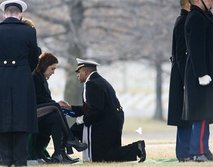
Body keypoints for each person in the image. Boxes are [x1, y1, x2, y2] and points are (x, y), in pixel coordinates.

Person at [70, 58, 146, 163]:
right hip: (112, 120)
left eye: (78, 72)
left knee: (102, 158)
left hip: (106, 122)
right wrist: (71, 108)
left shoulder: (91, 84)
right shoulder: (99, 81)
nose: (77, 75)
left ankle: (136, 148)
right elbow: (91, 107)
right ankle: (136, 148)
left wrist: (81, 120)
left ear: (85, 71)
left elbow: (96, 110)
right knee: (108, 153)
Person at [0, 0, 39, 166]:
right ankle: (21, 161)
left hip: (1, 76)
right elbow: (33, 58)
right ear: (20, 14)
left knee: (2, 117)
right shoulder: (29, 31)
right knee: (22, 119)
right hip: (22, 78)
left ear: (4, 13)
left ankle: (5, 159)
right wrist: (23, 70)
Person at [31, 52, 87, 163]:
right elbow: (37, 99)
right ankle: (70, 139)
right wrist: (55, 104)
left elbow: (45, 99)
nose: (53, 72)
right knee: (56, 107)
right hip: (33, 111)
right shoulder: (34, 77)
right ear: (44, 66)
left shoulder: (42, 79)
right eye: (52, 69)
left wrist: (55, 103)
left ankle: (60, 154)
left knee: (56, 117)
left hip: (42, 111)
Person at [183, 0, 213, 162]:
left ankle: (204, 149)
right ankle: (198, 151)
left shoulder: (204, 16)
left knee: (206, 114)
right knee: (201, 115)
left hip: (206, 74)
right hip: (199, 75)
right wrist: (202, 73)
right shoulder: (196, 18)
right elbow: (196, 49)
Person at [167, 0, 192, 162]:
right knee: (183, 117)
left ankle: (185, 151)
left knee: (185, 116)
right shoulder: (183, 21)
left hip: (180, 75)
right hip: (182, 77)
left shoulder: (182, 20)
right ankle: (184, 153)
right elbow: (181, 54)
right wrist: (186, 79)